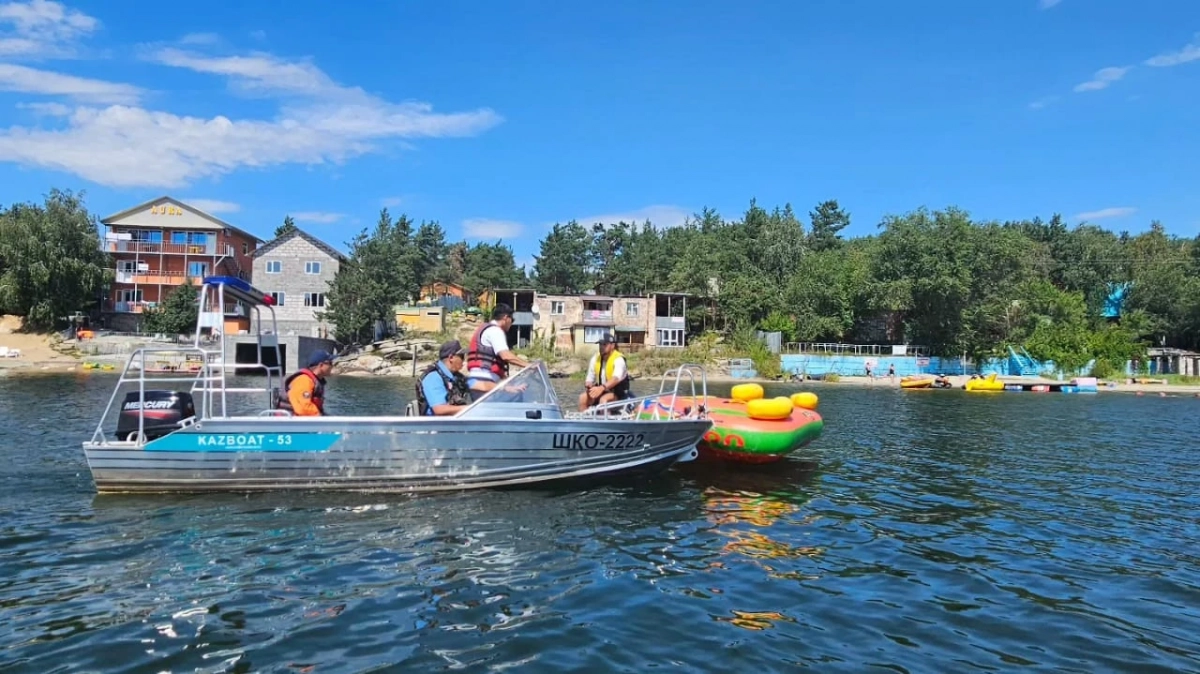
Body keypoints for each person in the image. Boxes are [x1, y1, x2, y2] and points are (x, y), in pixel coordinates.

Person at [465, 303, 531, 400]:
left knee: (515, 396)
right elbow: (505, 356)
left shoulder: (487, 329)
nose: (511, 323)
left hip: (483, 380)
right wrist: (529, 366)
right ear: (505, 318)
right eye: (512, 320)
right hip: (484, 380)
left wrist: (511, 386)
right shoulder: (495, 331)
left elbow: (498, 365)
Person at [416, 340, 472, 416]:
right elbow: (439, 409)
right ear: (451, 357)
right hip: (436, 426)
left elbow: (474, 388)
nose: (464, 360)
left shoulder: (457, 377)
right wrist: (471, 408)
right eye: (462, 356)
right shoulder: (433, 378)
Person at [578, 332, 631, 411]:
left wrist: (601, 388)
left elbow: (616, 378)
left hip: (618, 394)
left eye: (604, 344)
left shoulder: (619, 360)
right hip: (602, 391)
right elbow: (590, 378)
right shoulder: (595, 359)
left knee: (604, 400)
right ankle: (583, 420)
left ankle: (605, 422)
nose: (601, 347)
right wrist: (589, 384)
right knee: (582, 398)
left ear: (612, 345)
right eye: (600, 344)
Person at [278, 349, 333, 416]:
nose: (332, 366)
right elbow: (303, 408)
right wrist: (321, 418)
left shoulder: (314, 381)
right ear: (321, 365)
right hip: (290, 424)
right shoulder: (304, 380)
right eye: (330, 363)